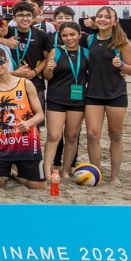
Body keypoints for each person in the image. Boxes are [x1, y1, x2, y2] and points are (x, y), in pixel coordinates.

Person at [0, 48, 47, 190]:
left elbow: (40, 114)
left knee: (38, 187)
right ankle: (6, 173)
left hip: (27, 144)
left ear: (7, 61)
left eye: (1, 61)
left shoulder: (25, 83)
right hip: (2, 146)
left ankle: (15, 175)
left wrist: (28, 123)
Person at [83, 6, 131, 184]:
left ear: (114, 21)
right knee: (92, 134)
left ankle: (115, 177)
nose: (103, 19)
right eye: (100, 16)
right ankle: (96, 175)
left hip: (116, 94)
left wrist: (121, 65)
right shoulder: (89, 39)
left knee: (116, 135)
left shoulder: (122, 43)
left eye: (107, 17)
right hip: (93, 93)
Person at [41, 21, 90, 175]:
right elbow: (47, 77)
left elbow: (93, 74)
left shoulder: (86, 53)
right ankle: (47, 170)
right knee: (53, 136)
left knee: (71, 136)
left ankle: (66, 170)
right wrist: (48, 69)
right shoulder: (56, 52)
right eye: (65, 36)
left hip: (77, 100)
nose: (69, 38)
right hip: (56, 98)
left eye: (72, 35)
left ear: (79, 35)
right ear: (60, 37)